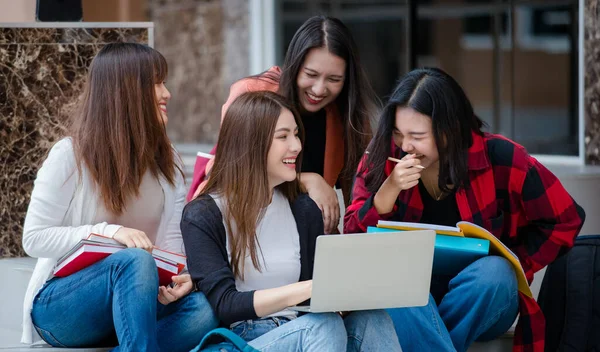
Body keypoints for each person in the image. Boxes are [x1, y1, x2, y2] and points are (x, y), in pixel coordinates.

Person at [344, 67, 586, 352]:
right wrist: (386, 194)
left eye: (417, 135)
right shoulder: (384, 155)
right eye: (398, 133)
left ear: (450, 130)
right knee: (394, 276)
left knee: (495, 272)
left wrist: (515, 262)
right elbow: (351, 238)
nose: (405, 145)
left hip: (484, 297)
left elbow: (566, 219)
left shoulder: (502, 158)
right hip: (409, 303)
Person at [21, 43, 217, 351]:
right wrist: (111, 233)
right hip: (63, 308)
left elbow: (171, 246)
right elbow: (33, 239)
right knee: (134, 261)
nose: (167, 93)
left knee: (205, 309)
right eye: (156, 82)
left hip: (135, 303)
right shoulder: (69, 156)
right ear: (127, 90)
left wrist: (181, 279)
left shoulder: (170, 164)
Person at [181, 91, 401, 352]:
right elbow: (226, 305)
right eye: (283, 136)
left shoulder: (303, 209)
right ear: (251, 143)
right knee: (322, 325)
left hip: (305, 329)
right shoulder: (203, 214)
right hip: (244, 338)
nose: (296, 146)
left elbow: (317, 300)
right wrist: (307, 288)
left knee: (371, 319)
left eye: (296, 134)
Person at [187, 15, 379, 234]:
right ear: (295, 66)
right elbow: (232, 173)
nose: (318, 89)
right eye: (311, 74)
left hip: (309, 236)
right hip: (247, 228)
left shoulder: (348, 116)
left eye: (334, 79)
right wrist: (307, 180)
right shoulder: (254, 95)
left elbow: (359, 199)